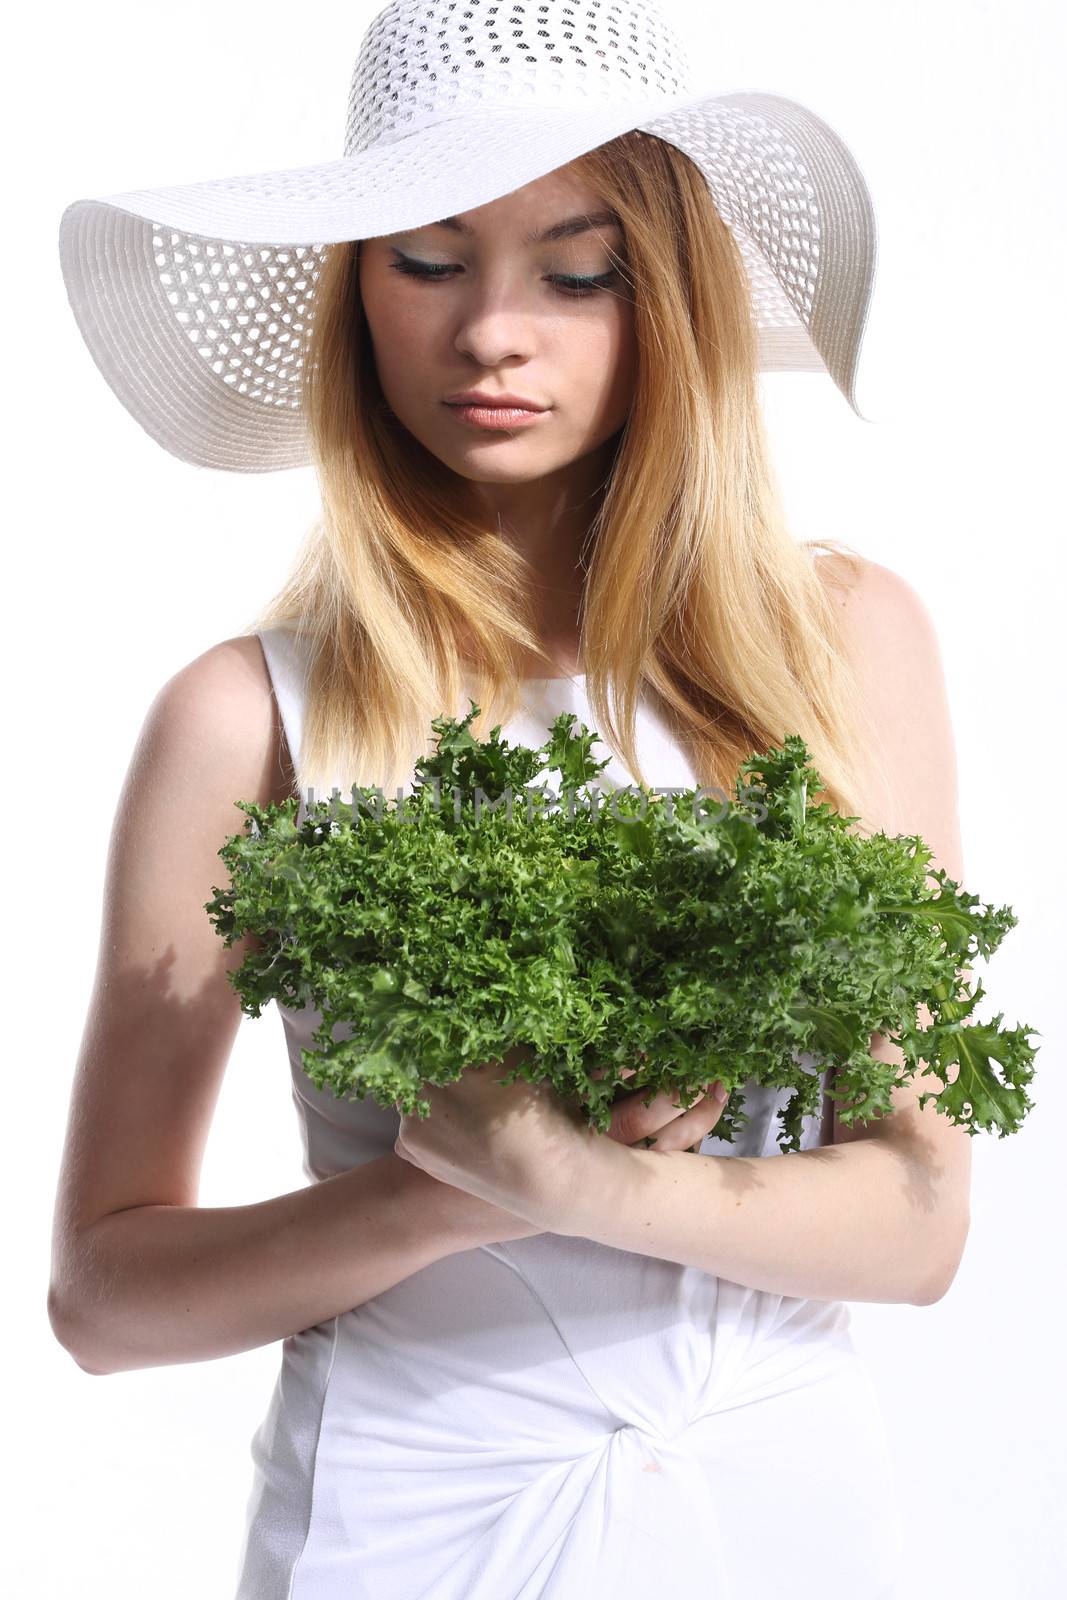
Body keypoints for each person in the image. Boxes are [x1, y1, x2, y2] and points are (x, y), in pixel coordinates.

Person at [49, 2, 972, 1594]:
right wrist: (436, 1203)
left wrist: (577, 1180)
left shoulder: (840, 648)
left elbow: (919, 1221)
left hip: (780, 1511)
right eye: (427, 259)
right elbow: (106, 1299)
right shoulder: (248, 718)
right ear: (357, 295)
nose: (491, 332)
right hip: (406, 1523)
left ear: (665, 299)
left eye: (577, 268)